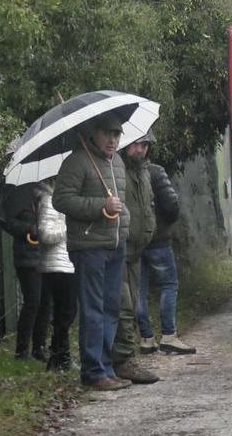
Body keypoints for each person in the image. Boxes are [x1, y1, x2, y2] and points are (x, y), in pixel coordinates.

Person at [53, 114, 131, 391]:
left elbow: (121, 201)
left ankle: (106, 368)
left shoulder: (118, 162)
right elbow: (61, 199)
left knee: (111, 308)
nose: (112, 140)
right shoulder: (77, 161)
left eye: (117, 134)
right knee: (94, 310)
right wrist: (101, 206)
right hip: (89, 248)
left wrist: (125, 224)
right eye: (107, 134)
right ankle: (93, 372)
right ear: (94, 134)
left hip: (115, 246)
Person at [112, 133, 159, 384]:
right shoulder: (116, 169)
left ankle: (123, 357)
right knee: (124, 305)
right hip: (119, 247)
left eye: (144, 145)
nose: (140, 150)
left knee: (130, 304)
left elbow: (148, 205)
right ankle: (123, 359)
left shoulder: (143, 172)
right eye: (135, 144)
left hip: (138, 250)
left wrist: (149, 231)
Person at [137, 155, 196, 355]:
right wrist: (167, 222)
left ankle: (146, 338)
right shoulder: (155, 171)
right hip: (158, 239)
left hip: (135, 241)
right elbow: (171, 205)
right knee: (169, 284)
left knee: (139, 289)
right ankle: (169, 335)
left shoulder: (121, 173)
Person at [2, 182, 51, 362]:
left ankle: (39, 347)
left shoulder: (50, 196)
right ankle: (22, 351)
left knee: (46, 302)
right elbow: (8, 223)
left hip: (47, 254)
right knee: (33, 302)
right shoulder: (19, 194)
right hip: (27, 257)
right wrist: (29, 230)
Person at [34, 178, 77, 372]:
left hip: (67, 262)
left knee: (68, 311)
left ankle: (59, 355)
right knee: (64, 312)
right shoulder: (48, 201)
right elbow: (44, 234)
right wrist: (69, 226)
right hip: (55, 264)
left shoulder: (63, 201)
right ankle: (61, 356)